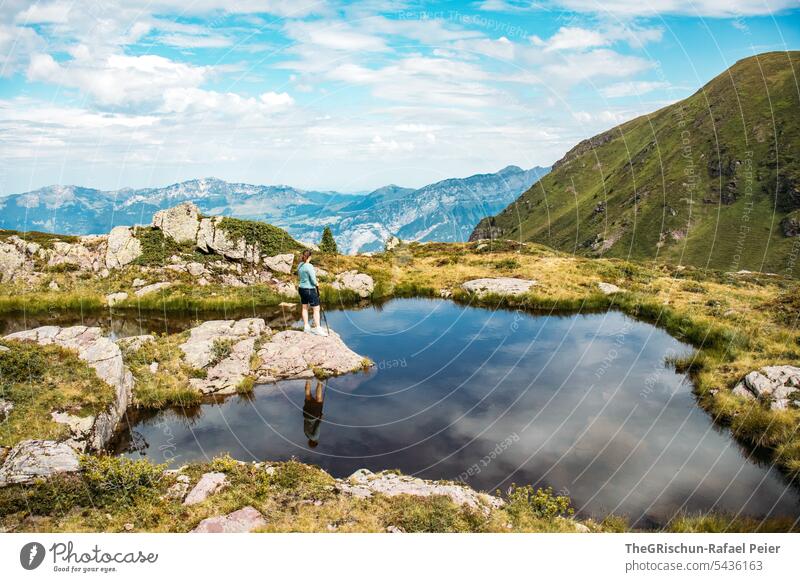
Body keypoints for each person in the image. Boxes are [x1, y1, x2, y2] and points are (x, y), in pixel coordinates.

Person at [297, 249, 328, 336]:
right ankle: (318, 328)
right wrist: (316, 283)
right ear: (310, 257)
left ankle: (306, 327)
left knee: (304, 307)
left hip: (301, 289)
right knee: (316, 309)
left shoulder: (300, 265)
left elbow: (301, 276)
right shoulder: (309, 266)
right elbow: (313, 280)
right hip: (310, 289)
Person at [303, 379, 325, 448]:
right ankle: (308, 379)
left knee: (318, 399)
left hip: (314, 416)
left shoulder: (315, 437)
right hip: (306, 414)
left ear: (315, 442)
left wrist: (321, 418)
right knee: (308, 396)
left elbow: (317, 426)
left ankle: (320, 380)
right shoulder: (306, 434)